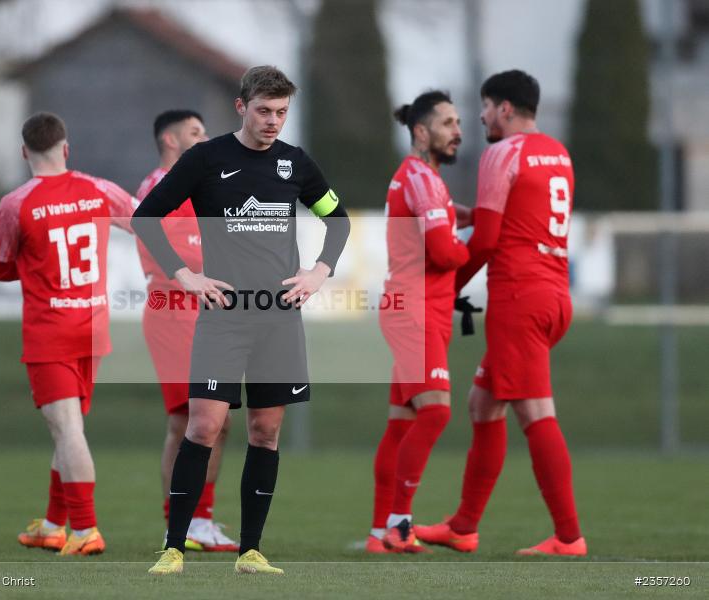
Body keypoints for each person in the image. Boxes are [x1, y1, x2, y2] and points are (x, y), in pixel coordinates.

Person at [132, 65, 350, 575]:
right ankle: (174, 547)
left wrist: (319, 271)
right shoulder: (206, 159)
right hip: (223, 319)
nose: (273, 121)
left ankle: (250, 550)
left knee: (264, 431)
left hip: (277, 320)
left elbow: (336, 220)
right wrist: (186, 276)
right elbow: (147, 216)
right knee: (204, 425)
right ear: (241, 107)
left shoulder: (295, 164)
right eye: (264, 111)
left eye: (281, 112)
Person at [415, 70, 587, 556]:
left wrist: (445, 290)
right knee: (483, 403)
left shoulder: (502, 152)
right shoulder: (558, 152)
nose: (482, 117)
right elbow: (514, 221)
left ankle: (569, 537)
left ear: (506, 109)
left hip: (520, 298)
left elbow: (488, 241)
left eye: (487, 107)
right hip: (554, 296)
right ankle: (463, 526)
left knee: (535, 410)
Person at [0, 112, 135, 556]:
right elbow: (144, 220)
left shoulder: (17, 203)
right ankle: (53, 525)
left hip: (50, 332)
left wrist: (35, 264)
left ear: (23, 153)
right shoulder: (100, 189)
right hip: (92, 328)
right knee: (67, 431)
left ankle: (86, 529)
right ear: (66, 149)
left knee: (67, 430)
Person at [368, 91, 469, 554]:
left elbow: (437, 234)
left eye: (459, 122)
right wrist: (482, 240)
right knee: (436, 411)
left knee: (401, 423)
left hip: (417, 308)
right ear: (422, 131)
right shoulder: (421, 178)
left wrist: (457, 217)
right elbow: (446, 252)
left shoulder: (422, 179)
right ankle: (399, 523)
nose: (459, 131)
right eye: (448, 122)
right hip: (414, 310)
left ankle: (379, 533)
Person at [135, 109, 238, 552]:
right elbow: (172, 252)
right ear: (171, 141)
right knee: (193, 421)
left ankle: (199, 519)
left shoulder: (199, 189)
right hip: (174, 312)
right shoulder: (158, 187)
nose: (206, 138)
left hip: (206, 315)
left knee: (213, 422)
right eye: (196, 132)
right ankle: (181, 522)